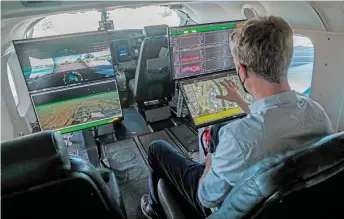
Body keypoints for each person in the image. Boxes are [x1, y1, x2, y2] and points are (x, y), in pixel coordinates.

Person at [141, 16, 334, 219]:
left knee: (157, 149)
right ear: (287, 59)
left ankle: (154, 208)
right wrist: (242, 103)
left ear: (241, 70)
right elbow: (273, 122)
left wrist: (209, 163)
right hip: (287, 203)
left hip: (223, 206)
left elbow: (206, 196)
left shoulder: (237, 138)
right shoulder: (316, 112)